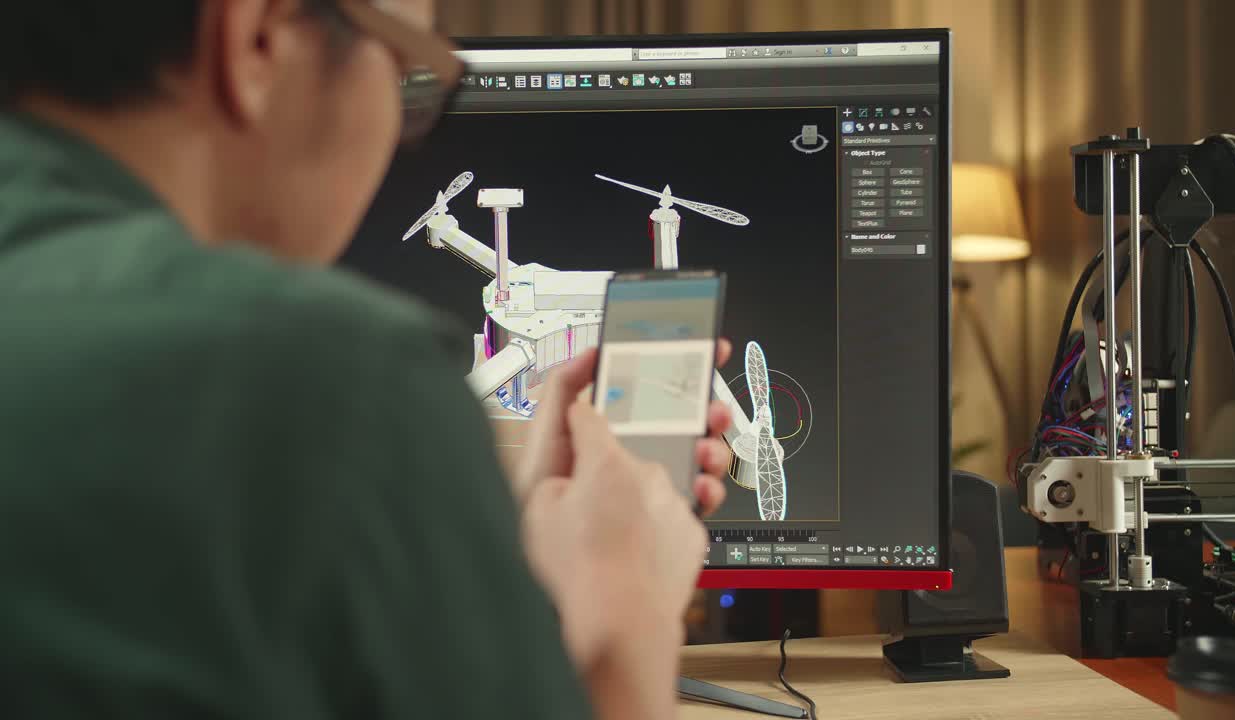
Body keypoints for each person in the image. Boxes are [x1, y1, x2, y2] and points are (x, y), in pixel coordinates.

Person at [0, 1, 732, 718]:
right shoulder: (337, 377)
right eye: (407, 76)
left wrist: (489, 556)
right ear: (259, 37)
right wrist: (625, 611)